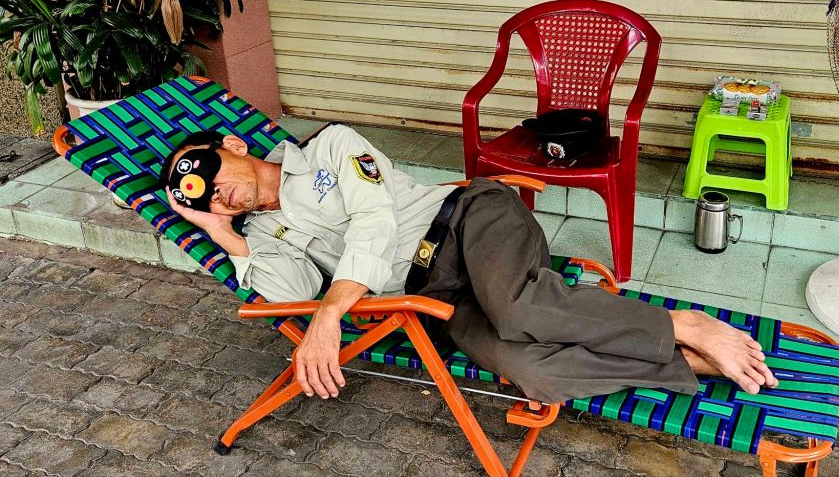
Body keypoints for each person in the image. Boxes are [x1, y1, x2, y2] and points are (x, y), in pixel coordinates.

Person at [161, 125, 777, 403]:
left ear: (233, 147)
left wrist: (330, 316)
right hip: (434, 298)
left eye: (209, 176)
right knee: (529, 369)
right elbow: (288, 292)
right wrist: (224, 234)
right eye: (202, 199)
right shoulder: (259, 235)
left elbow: (375, 223)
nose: (218, 195)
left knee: (519, 309)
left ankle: (683, 324)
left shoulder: (329, 147)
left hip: (468, 221)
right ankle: (685, 361)